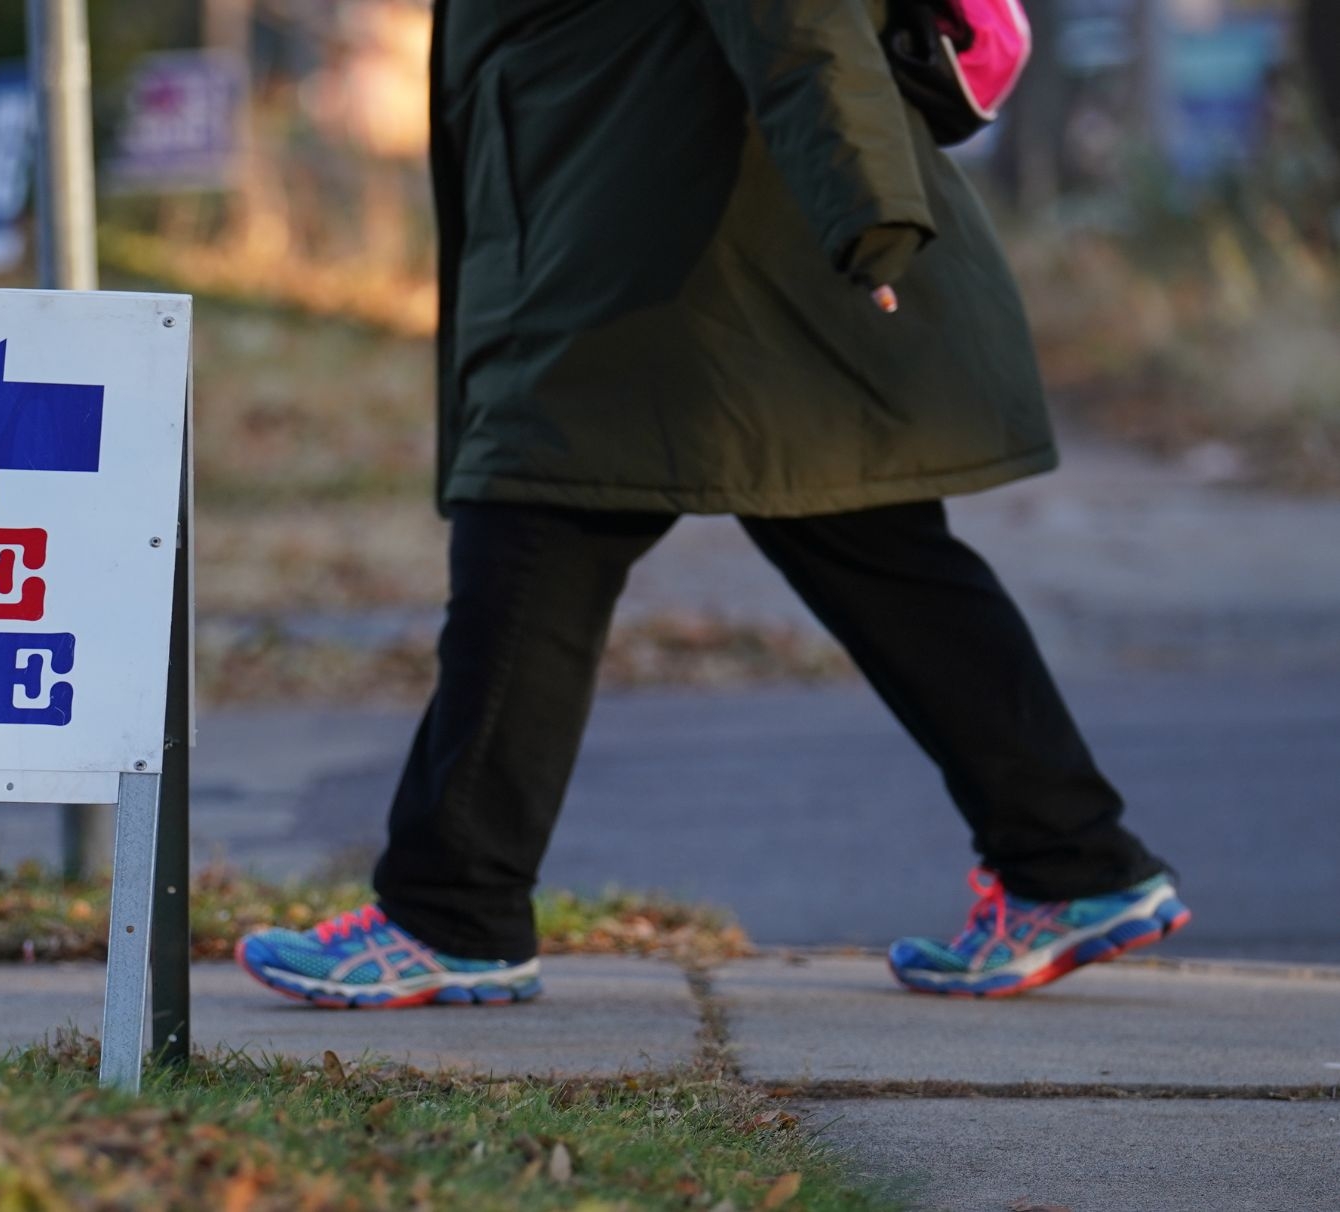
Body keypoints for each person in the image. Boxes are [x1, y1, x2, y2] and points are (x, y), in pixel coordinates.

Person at [236, 0, 1188, 1007]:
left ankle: (451, 913)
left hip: (659, 273)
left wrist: (868, 210)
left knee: (536, 532)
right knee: (879, 560)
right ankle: (1072, 862)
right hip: (673, 251)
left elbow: (797, 15)